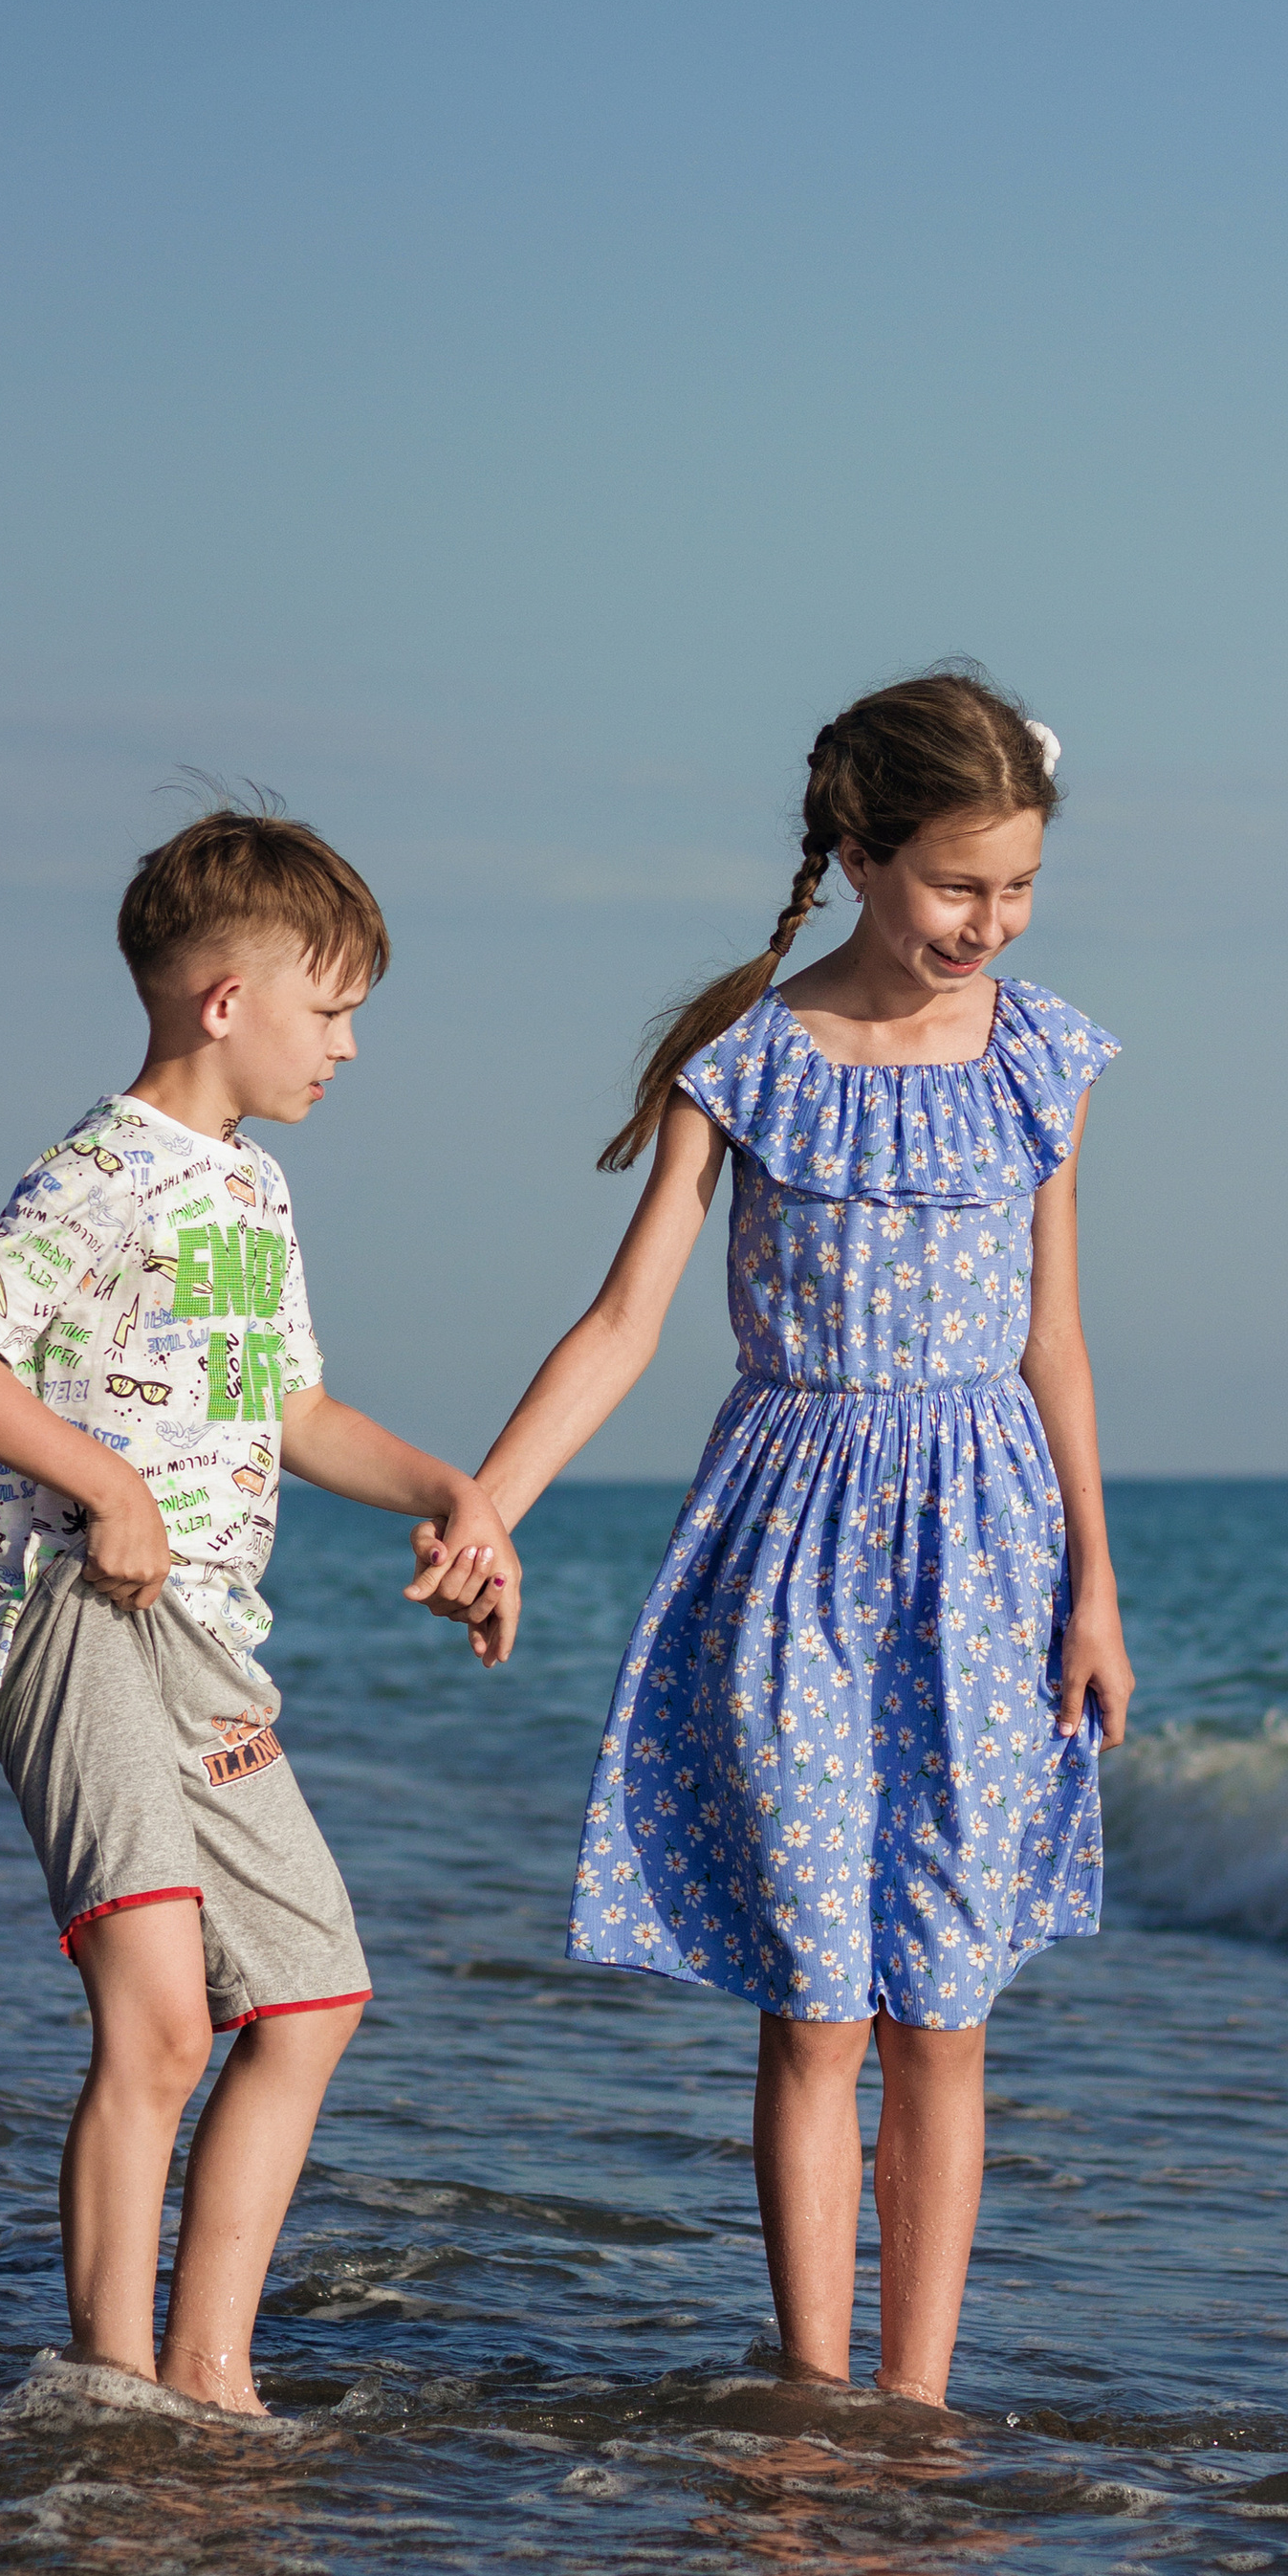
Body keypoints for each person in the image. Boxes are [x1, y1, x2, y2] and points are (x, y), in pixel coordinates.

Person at [440, 673, 1132, 2410]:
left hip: (990, 1551)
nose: (991, 923)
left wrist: (1096, 1585)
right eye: (958, 885)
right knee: (821, 2004)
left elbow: (1055, 1337)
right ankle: (817, 2401)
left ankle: (920, 2409)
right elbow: (621, 1327)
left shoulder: (1044, 1058)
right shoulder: (742, 1068)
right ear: (857, 850)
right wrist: (488, 1503)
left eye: (1019, 887)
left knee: (946, 2011)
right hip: (792, 1549)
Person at [0, 805, 517, 2412]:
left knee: (309, 1992)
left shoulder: (256, 1194)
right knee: (160, 2025)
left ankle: (213, 2375)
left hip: (211, 1644)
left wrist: (453, 1492)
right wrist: (109, 1484)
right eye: (334, 1008)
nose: (352, 1049)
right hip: (76, 1619)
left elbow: (293, 1411)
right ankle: (109, 2386)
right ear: (226, 1001)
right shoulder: (106, 1171)